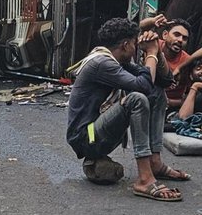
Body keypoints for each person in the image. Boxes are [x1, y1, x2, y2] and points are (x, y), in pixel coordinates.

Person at [65, 17, 191, 201]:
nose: (136, 47)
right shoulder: (102, 63)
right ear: (125, 45)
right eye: (134, 43)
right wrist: (150, 53)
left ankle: (155, 162)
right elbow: (142, 87)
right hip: (87, 136)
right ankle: (145, 179)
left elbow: (163, 81)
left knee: (156, 92)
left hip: (96, 131)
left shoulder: (118, 60)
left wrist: (156, 50)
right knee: (136, 99)